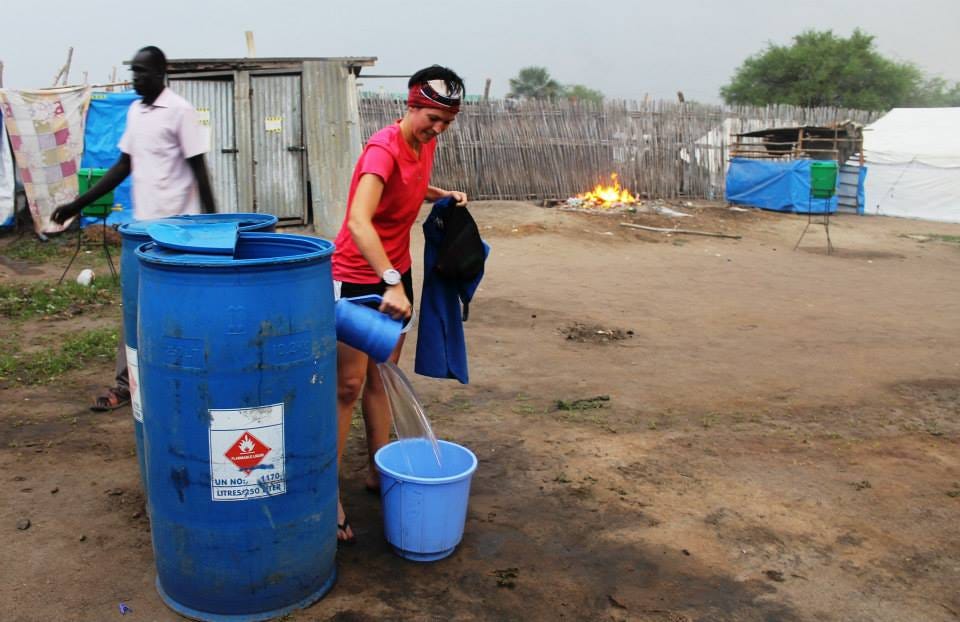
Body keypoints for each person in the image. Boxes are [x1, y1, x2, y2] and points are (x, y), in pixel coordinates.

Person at [332, 65, 467, 542]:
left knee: (383, 377)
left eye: (447, 122)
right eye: (433, 118)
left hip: (396, 276)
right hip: (358, 278)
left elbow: (407, 190)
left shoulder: (424, 144)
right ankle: (327, 496)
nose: (439, 129)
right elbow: (358, 221)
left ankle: (377, 468)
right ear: (411, 105)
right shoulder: (382, 148)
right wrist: (390, 281)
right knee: (348, 384)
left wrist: (440, 194)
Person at [52, 45, 215, 411]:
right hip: (144, 235)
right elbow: (122, 167)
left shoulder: (180, 112)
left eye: (142, 71)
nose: (135, 77)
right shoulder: (135, 112)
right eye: (133, 71)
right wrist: (77, 205)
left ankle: (191, 379)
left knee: (185, 313)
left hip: (179, 235)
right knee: (134, 312)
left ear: (161, 73)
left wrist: (213, 227)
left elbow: (200, 170)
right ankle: (126, 387)